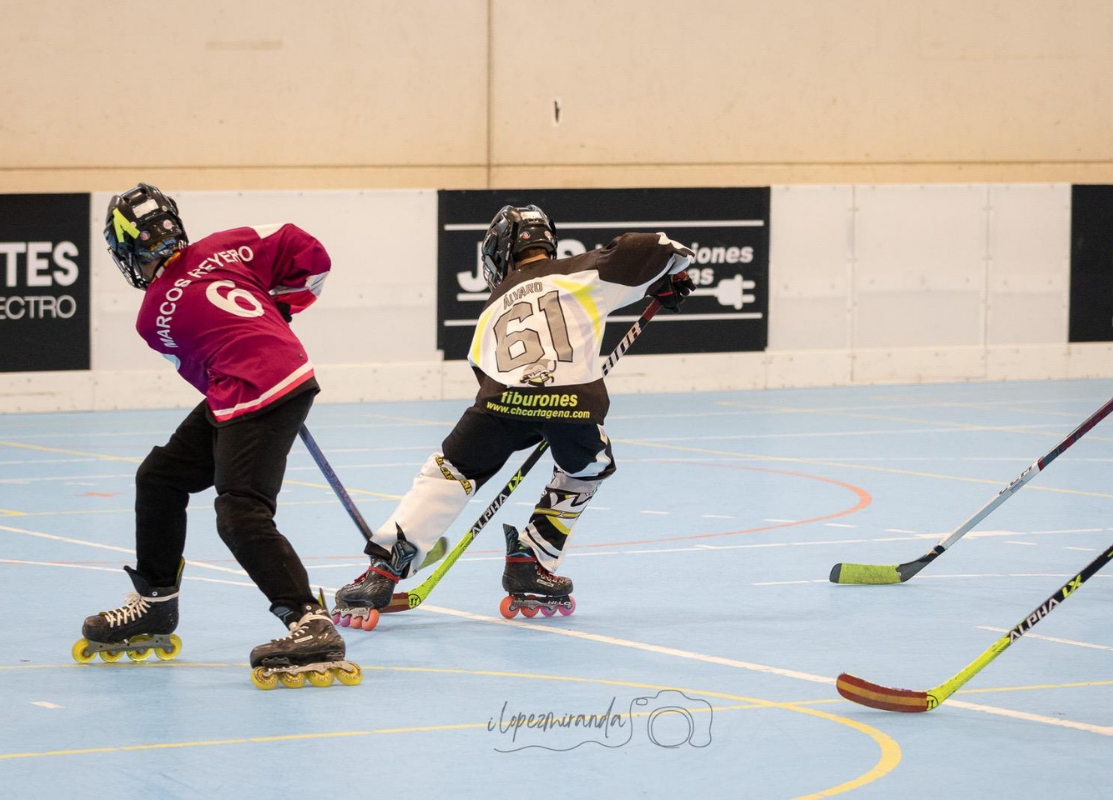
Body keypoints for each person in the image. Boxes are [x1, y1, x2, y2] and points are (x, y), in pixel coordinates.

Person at [333, 204, 695, 623]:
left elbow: (482, 371)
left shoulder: (493, 304)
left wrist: (525, 414)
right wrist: (670, 274)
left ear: (499, 252)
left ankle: (383, 569)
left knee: (450, 471)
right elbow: (660, 246)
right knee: (589, 468)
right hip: (572, 403)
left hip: (500, 402)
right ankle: (531, 560)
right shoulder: (584, 270)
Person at [73, 182, 358, 688]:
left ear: (128, 250)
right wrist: (284, 302)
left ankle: (310, 621)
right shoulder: (227, 246)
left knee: (239, 510)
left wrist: (270, 318)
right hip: (260, 383)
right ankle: (156, 601)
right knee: (160, 477)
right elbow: (307, 250)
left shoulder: (151, 318)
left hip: (255, 390)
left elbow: (202, 368)